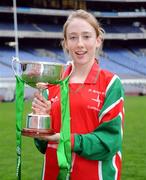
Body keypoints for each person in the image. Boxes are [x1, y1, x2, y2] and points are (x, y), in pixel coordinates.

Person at [32, 9, 125, 180]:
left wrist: (67, 139)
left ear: (98, 40)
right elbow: (42, 144)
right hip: (53, 174)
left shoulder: (110, 83)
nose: (80, 43)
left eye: (86, 36)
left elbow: (109, 141)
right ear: (66, 43)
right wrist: (41, 123)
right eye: (73, 37)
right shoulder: (51, 83)